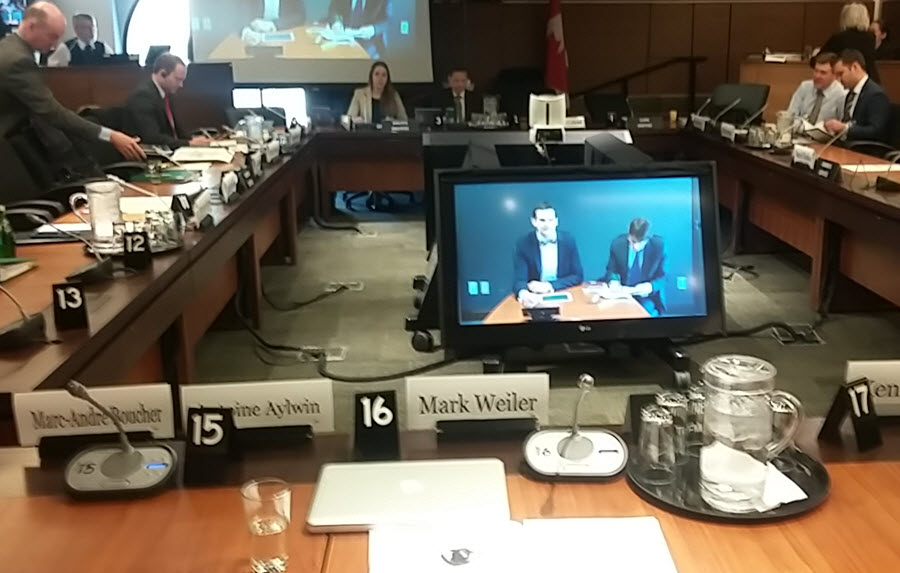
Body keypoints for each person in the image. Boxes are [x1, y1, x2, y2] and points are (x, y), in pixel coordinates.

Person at [0, 3, 144, 160]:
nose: (55, 45)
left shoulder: (11, 48)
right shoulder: (17, 60)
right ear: (31, 26)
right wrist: (110, 136)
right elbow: (52, 112)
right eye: (52, 36)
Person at [125, 53, 210, 149]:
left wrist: (192, 139)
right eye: (178, 79)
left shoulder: (165, 93)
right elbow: (152, 137)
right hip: (155, 154)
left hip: (170, 149)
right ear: (163, 74)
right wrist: (188, 143)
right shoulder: (142, 97)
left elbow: (174, 130)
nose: (181, 85)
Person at [512, 202, 583, 309]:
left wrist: (549, 286)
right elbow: (520, 280)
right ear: (533, 222)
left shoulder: (568, 240)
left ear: (556, 221)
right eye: (542, 220)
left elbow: (578, 276)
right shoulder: (523, 244)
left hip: (562, 291)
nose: (547, 224)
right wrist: (524, 294)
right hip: (535, 297)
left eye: (550, 220)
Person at [602, 218, 666, 316]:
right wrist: (613, 281)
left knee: (641, 316)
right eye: (632, 241)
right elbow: (611, 270)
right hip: (621, 294)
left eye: (640, 243)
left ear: (648, 239)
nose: (635, 246)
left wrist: (650, 286)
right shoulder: (617, 244)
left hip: (647, 297)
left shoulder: (658, 246)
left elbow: (663, 277)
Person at [825, 49, 891, 142]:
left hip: (864, 149)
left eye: (841, 74)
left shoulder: (876, 95)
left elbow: (876, 131)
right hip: (846, 145)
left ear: (855, 67)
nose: (838, 80)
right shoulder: (850, 94)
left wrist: (845, 128)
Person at [817, 3, 879, 84]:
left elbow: (819, 59)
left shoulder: (839, 38)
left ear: (845, 18)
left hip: (845, 82)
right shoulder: (871, 38)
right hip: (870, 80)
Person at [788, 52, 846, 124]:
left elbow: (842, 126)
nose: (817, 76)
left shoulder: (841, 95)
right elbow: (790, 115)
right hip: (798, 132)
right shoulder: (805, 87)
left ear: (834, 75)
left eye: (823, 72)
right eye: (816, 71)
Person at [46, 13, 112, 67]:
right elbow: (52, 69)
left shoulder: (103, 47)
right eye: (87, 27)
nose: (92, 31)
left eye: (93, 27)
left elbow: (114, 67)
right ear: (77, 29)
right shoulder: (67, 48)